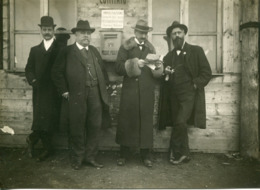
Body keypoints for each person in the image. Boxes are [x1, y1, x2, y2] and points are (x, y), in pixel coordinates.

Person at [51, 20, 110, 170]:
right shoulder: (67, 51)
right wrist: (64, 90)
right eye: (83, 33)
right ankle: (77, 158)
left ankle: (90, 157)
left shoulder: (94, 51)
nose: (86, 36)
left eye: (88, 33)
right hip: (76, 95)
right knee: (76, 127)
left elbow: (102, 71)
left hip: (95, 93)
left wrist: (105, 87)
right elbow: (56, 72)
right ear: (75, 34)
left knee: (94, 126)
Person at [158, 21, 212, 165]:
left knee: (181, 121)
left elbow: (207, 73)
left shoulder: (196, 51)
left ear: (184, 34)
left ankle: (174, 151)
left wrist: (195, 84)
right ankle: (184, 154)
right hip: (174, 96)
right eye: (173, 34)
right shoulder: (168, 57)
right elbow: (164, 79)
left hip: (189, 95)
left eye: (179, 33)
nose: (176, 36)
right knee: (178, 123)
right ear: (171, 37)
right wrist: (166, 74)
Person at [115, 19, 164, 167]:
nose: (143, 36)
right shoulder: (126, 47)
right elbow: (117, 68)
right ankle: (123, 154)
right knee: (127, 119)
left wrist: (158, 66)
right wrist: (135, 64)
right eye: (141, 33)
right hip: (130, 90)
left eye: (145, 33)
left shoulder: (150, 47)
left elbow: (156, 71)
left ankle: (145, 155)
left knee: (146, 121)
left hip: (147, 89)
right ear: (135, 32)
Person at [24, 16, 60, 161]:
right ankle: (46, 149)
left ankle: (32, 140)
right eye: (44, 29)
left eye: (49, 29)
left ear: (53, 31)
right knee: (42, 118)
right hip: (39, 91)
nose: (47, 32)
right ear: (40, 31)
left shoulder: (60, 49)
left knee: (50, 119)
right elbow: (28, 69)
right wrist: (33, 80)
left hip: (54, 91)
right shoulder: (35, 50)